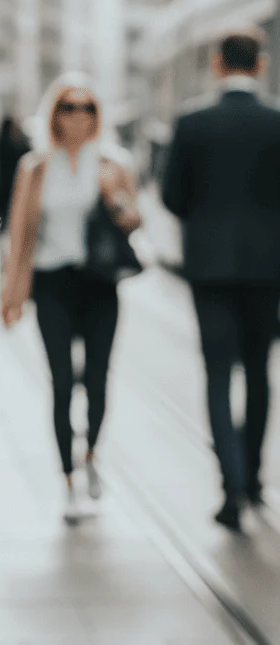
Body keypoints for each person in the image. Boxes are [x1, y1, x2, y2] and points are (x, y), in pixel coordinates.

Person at [1, 75, 140, 521]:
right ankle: (67, 480)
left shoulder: (114, 163)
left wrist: (114, 197)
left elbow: (134, 222)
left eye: (87, 107)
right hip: (52, 285)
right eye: (68, 107)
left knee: (97, 379)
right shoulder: (35, 167)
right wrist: (11, 295)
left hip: (99, 285)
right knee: (62, 383)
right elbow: (19, 234)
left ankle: (92, 454)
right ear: (54, 114)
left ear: (97, 116)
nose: (78, 116)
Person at [162, 29, 280, 531]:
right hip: (267, 270)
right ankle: (253, 478)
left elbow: (172, 196)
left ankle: (229, 485)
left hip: (209, 267)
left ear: (217, 64)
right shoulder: (277, 122)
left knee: (216, 373)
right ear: (261, 64)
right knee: (258, 371)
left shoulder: (192, 123)